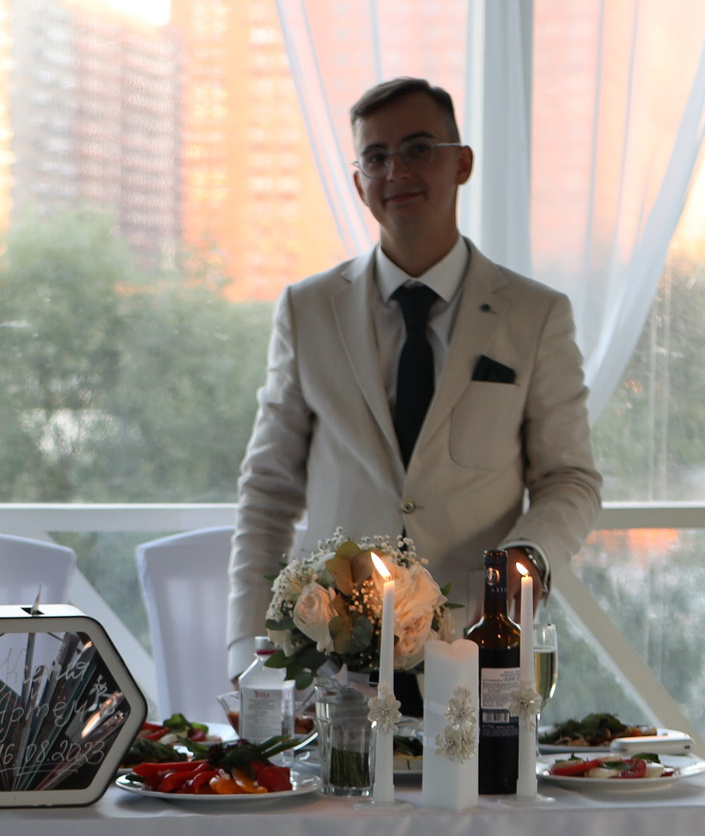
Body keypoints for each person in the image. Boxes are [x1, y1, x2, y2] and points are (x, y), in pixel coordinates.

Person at [226, 77, 603, 677]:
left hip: (477, 649)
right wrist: (250, 649)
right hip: (331, 659)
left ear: (462, 163)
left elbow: (570, 479)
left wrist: (521, 564)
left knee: (487, 779)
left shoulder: (535, 315)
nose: (396, 170)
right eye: (376, 157)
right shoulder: (308, 310)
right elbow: (268, 490)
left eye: (419, 148)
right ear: (359, 184)